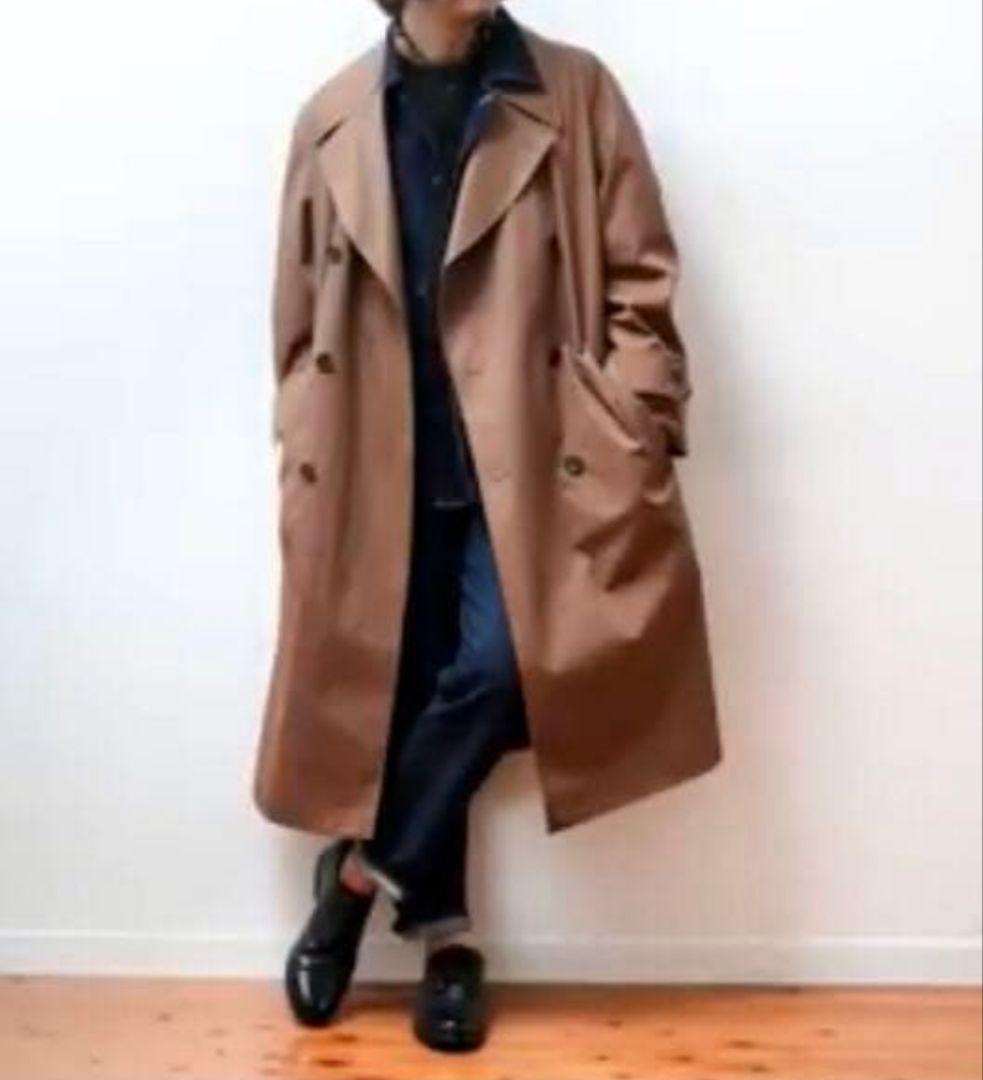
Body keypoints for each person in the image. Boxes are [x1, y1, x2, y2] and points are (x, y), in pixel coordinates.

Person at [256, 0, 723, 1054]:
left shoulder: (574, 92)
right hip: (377, 462)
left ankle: (357, 879)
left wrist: (632, 418)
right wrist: (303, 434)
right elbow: (294, 315)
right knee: (402, 691)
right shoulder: (332, 117)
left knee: (503, 670)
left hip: (542, 457)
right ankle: (448, 945)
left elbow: (641, 276)